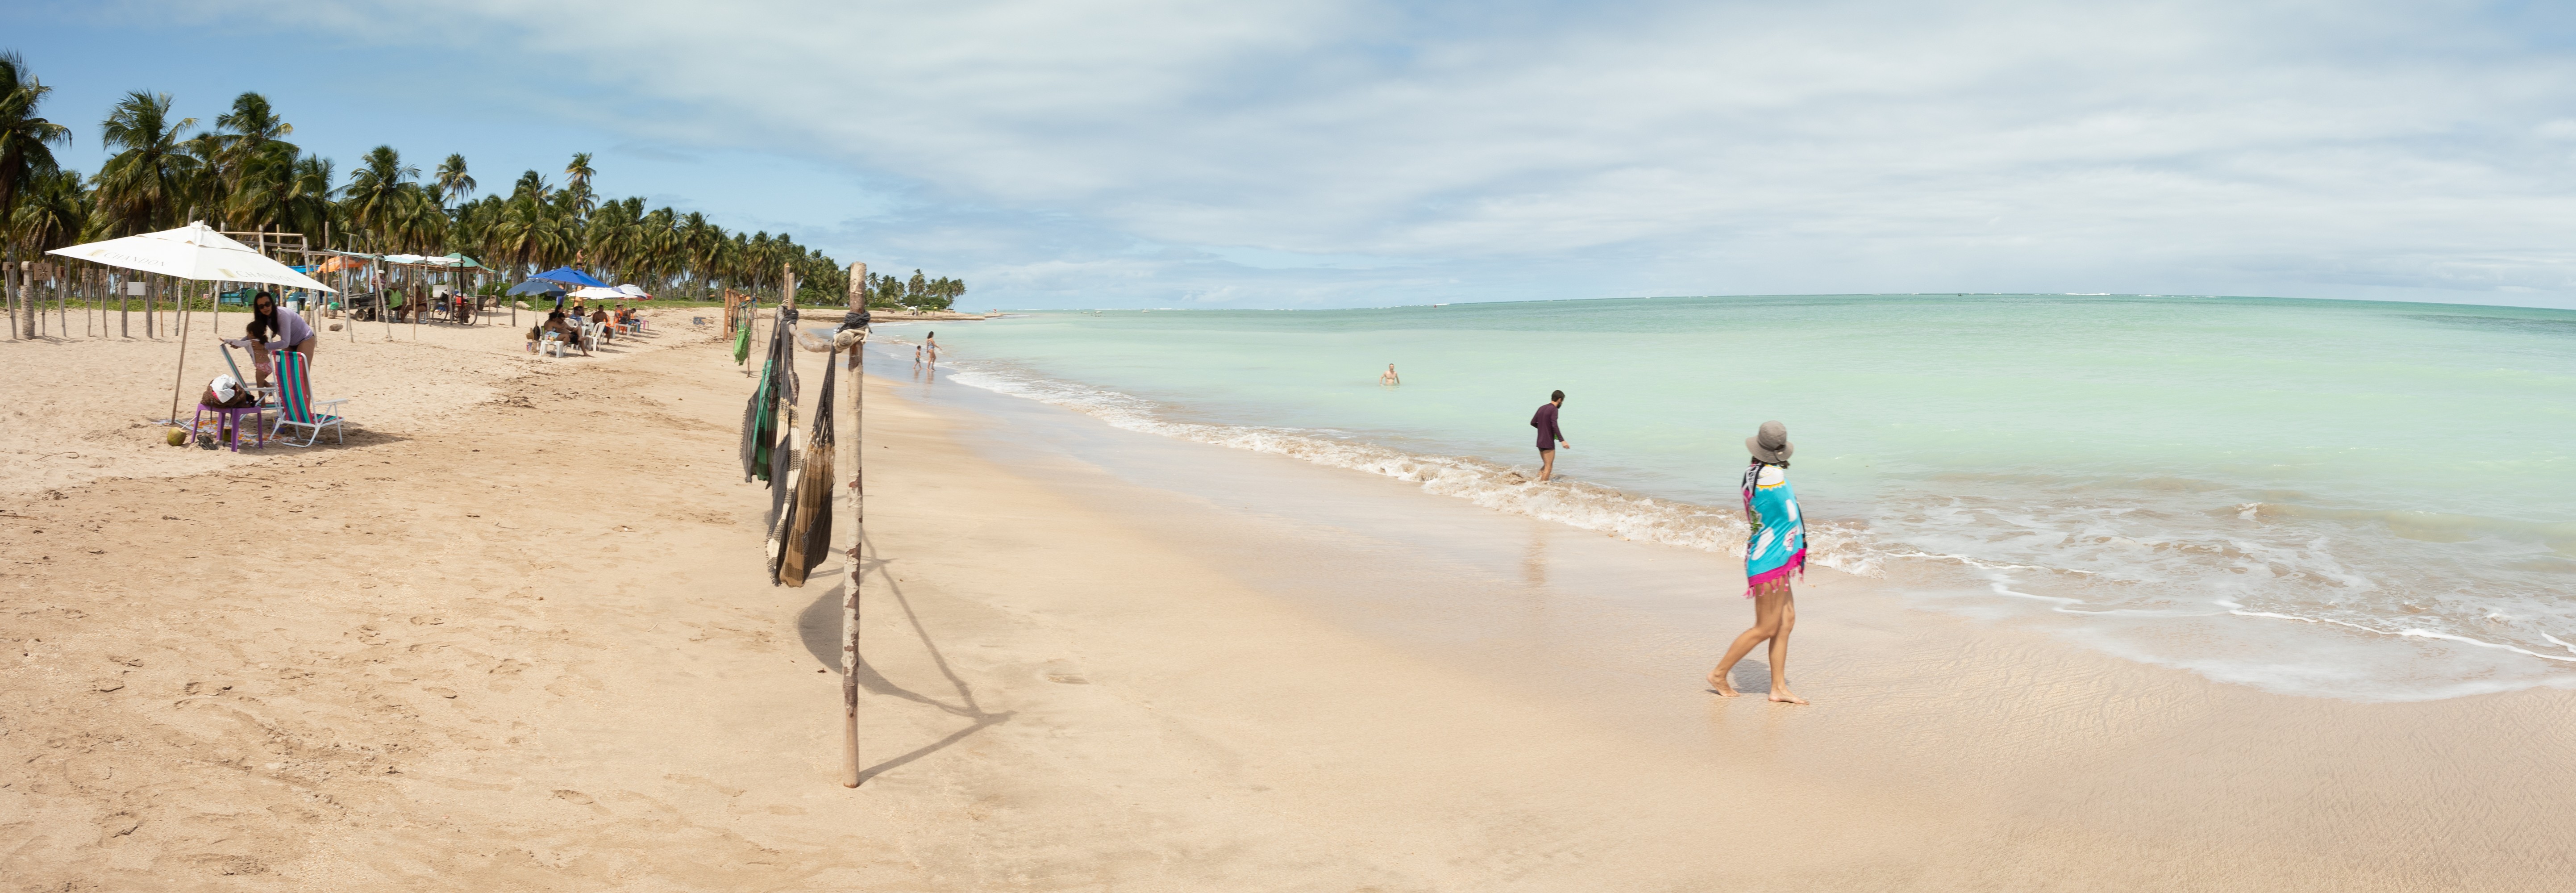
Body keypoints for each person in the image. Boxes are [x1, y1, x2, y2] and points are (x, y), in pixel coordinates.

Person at [1706, 421, 1808, 705]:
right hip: (1769, 559)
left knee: (1786, 622)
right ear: (1780, 452)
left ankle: (1778, 688)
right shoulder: (1771, 475)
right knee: (1765, 627)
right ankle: (1719, 673)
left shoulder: (1755, 472)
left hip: (1775, 555)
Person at [240, 292, 316, 376]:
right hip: (291, 343)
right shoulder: (264, 317)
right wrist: (240, 343)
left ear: (272, 303)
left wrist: (264, 346)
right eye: (261, 307)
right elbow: (254, 333)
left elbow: (285, 343)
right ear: (258, 309)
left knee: (302, 375)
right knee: (282, 373)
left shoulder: (282, 315)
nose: (265, 308)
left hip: (305, 339)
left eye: (267, 304)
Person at [1530, 390, 1569, 481]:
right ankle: (1541, 488)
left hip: (1540, 442)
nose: (1562, 403)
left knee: (1545, 466)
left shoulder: (1542, 408)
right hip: (1548, 442)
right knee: (1549, 467)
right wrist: (1562, 441)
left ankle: (1536, 484)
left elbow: (1533, 423)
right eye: (1562, 401)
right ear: (1560, 400)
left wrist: (1543, 428)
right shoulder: (1554, 409)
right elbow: (1554, 425)